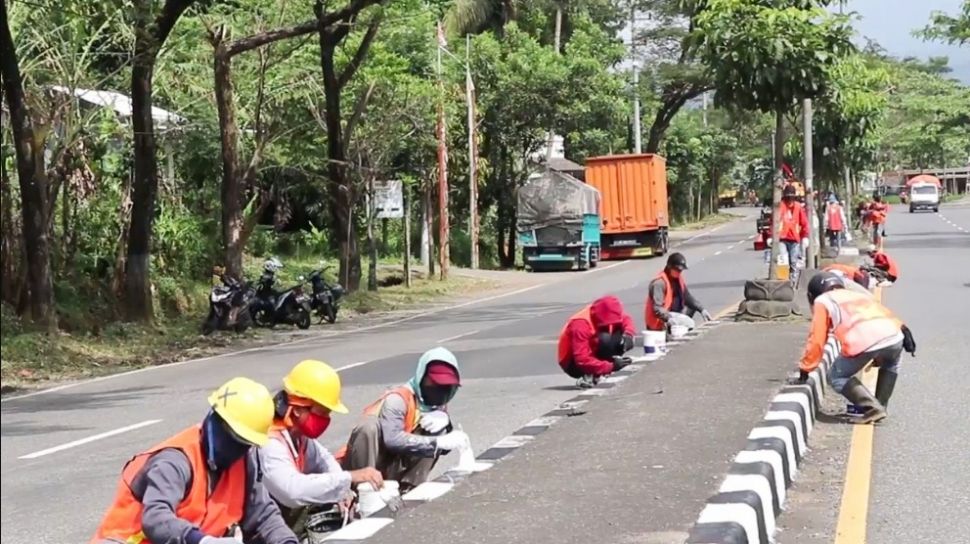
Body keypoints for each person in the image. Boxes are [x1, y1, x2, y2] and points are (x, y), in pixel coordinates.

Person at [91, 378, 299, 544]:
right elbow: (155, 519)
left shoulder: (245, 460)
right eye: (234, 438)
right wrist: (202, 540)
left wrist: (286, 541)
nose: (237, 449)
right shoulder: (174, 461)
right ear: (213, 419)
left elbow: (263, 515)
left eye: (245, 443)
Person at [261, 360, 384, 538]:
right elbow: (292, 491)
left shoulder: (298, 435)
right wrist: (349, 478)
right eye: (323, 412)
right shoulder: (270, 443)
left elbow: (324, 459)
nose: (326, 419)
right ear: (298, 410)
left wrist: (343, 493)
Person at [794, 272, 916, 424]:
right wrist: (901, 327)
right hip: (895, 335)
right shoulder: (857, 295)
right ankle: (880, 405)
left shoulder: (823, 300)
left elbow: (817, 339)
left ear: (812, 295)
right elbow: (883, 313)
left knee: (836, 376)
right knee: (891, 364)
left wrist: (806, 367)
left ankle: (873, 408)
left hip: (866, 341)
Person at [339, 347, 466, 494]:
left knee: (433, 432)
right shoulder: (398, 399)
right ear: (422, 376)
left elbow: (444, 447)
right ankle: (364, 492)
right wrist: (436, 443)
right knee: (369, 427)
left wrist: (446, 427)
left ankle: (409, 490)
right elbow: (392, 440)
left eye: (445, 386)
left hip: (392, 469)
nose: (439, 390)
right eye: (434, 383)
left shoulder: (435, 407)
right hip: (364, 465)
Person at [557, 295, 636, 388]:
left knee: (615, 331)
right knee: (605, 337)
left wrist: (629, 335)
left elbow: (625, 319)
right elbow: (582, 359)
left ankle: (602, 367)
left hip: (593, 349)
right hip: (572, 363)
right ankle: (590, 375)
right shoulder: (580, 325)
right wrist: (611, 367)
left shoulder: (604, 310)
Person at [645, 252, 712, 332]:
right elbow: (657, 309)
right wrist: (669, 319)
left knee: (692, 308)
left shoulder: (678, 279)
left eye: (681, 270)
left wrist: (702, 309)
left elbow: (687, 297)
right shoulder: (659, 283)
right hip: (659, 322)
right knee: (689, 324)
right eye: (677, 270)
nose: (679, 272)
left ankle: (677, 331)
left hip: (671, 315)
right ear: (670, 267)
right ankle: (671, 333)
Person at [776, 184, 810, 278]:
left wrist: (805, 236)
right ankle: (783, 280)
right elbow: (774, 221)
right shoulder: (780, 206)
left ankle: (793, 282)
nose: (790, 199)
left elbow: (804, 223)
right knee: (783, 260)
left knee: (794, 261)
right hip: (782, 238)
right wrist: (772, 236)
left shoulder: (798, 207)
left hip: (794, 238)